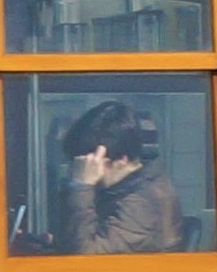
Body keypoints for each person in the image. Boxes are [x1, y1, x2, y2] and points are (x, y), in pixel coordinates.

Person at [56, 101, 188, 255]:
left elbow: (86, 259)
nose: (81, 171)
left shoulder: (142, 205)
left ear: (121, 160)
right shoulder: (123, 192)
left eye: (90, 163)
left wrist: (81, 187)